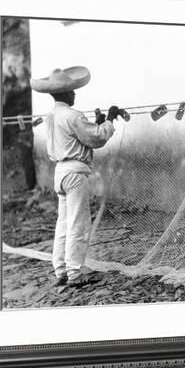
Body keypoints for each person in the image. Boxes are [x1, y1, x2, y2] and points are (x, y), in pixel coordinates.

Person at [31, 66, 120, 287]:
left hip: (60, 172)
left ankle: (60, 269)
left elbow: (80, 136)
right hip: (74, 172)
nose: (75, 94)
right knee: (78, 224)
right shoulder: (73, 115)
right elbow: (96, 139)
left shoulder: (50, 116)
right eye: (72, 91)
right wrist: (109, 120)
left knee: (63, 223)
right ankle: (74, 273)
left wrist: (97, 122)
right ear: (65, 93)